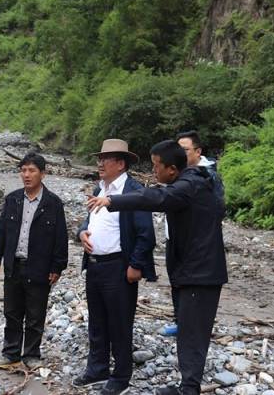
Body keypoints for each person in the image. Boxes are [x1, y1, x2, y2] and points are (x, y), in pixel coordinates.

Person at [88, 140, 228, 395]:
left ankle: (189, 389)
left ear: (172, 169)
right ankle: (188, 386)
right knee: (187, 329)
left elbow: (156, 197)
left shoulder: (189, 185)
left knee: (193, 334)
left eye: (156, 166)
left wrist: (113, 201)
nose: (153, 172)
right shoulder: (188, 182)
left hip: (200, 273)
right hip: (190, 271)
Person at [72, 139, 156, 395]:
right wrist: (82, 233)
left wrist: (136, 265)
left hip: (119, 266)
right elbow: (88, 222)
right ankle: (97, 368)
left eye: (105, 158)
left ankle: (121, 375)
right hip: (95, 265)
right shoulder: (100, 188)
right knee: (97, 321)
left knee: (120, 323)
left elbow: (146, 234)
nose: (100, 163)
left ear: (120, 163)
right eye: (100, 158)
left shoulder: (133, 190)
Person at [0, 152, 68, 369]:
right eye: (23, 170)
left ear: (42, 173)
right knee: (12, 312)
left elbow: (61, 238)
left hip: (40, 267)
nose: (26, 175)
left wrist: (57, 266)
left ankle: (31, 354)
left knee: (35, 314)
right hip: (14, 264)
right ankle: (11, 352)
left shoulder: (53, 204)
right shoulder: (12, 199)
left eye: (32, 170)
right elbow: (1, 231)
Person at [160, 131, 225, 337]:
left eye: (185, 150)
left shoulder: (208, 176)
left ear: (198, 151)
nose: (181, 153)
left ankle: (193, 326)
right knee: (175, 279)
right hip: (174, 238)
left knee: (191, 284)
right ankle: (180, 321)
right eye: (179, 150)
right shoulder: (179, 173)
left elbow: (217, 208)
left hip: (195, 241)